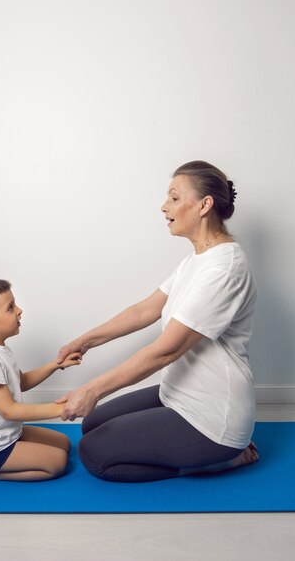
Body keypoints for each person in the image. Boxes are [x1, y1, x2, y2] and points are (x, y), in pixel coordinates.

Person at [56, 160, 259, 483]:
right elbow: (144, 311)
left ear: (205, 205)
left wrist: (93, 389)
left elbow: (167, 350)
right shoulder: (198, 259)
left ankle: (221, 460)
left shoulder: (224, 268)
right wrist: (85, 341)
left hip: (210, 416)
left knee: (95, 454)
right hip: (178, 391)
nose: (164, 207)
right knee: (91, 424)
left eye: (175, 198)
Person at [0, 279, 81, 482]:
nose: (19, 311)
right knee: (58, 463)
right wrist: (58, 409)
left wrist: (56, 365)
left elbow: (22, 382)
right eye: (10, 308)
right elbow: (9, 410)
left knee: (64, 443)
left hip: (10, 433)